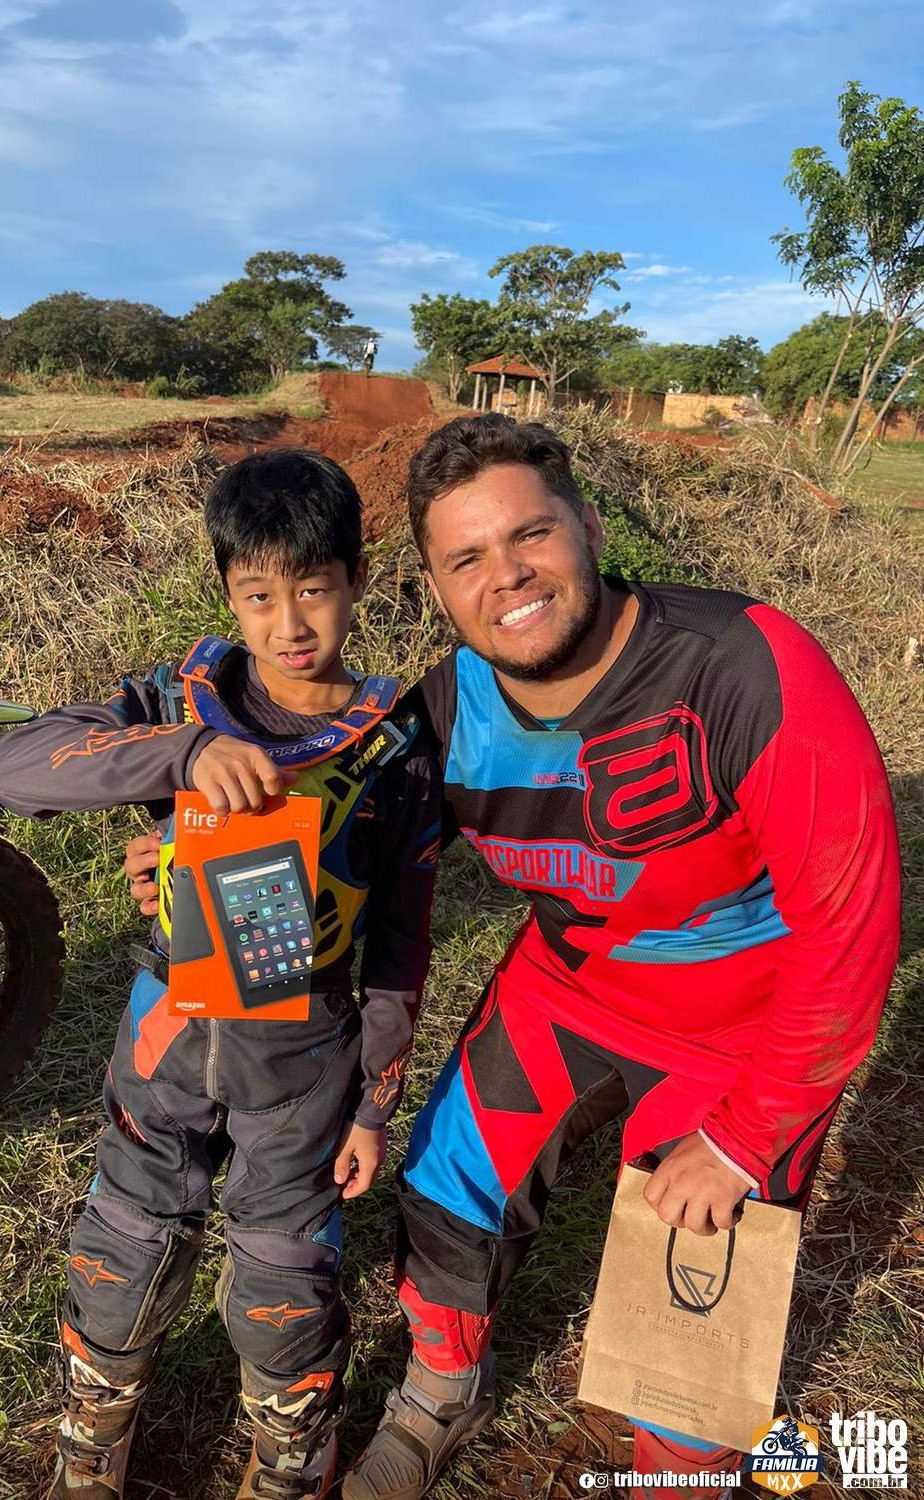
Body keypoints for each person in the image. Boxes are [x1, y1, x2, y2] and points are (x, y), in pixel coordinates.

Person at [329, 414, 899, 1500]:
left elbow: (851, 931)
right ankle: (443, 1392)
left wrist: (744, 1141)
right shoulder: (446, 708)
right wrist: (201, 860)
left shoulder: (743, 666)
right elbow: (343, 854)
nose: (506, 576)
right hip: (569, 991)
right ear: (436, 590)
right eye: (466, 559)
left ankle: (682, 1474)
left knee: (691, 1321)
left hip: (741, 1028)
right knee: (447, 1182)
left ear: (589, 527)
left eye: (530, 534)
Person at [0, 449, 441, 1500]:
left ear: (358, 580)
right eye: (259, 595)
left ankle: (291, 1457)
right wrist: (179, 756)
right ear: (227, 593)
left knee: (284, 1266)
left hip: (305, 1050)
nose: (289, 624)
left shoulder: (396, 746)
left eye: (314, 589)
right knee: (123, 1238)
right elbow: (15, 769)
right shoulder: (173, 698)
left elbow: (403, 940)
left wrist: (375, 1103)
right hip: (166, 1028)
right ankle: (93, 1438)